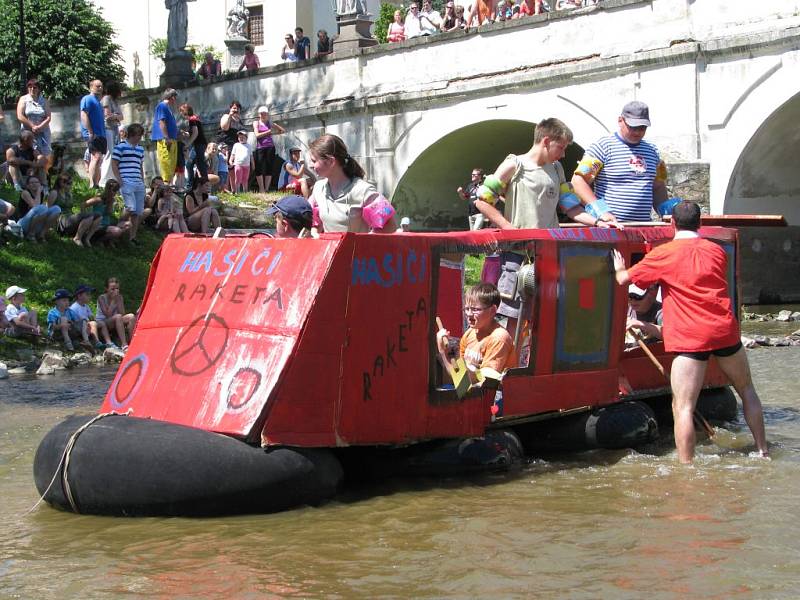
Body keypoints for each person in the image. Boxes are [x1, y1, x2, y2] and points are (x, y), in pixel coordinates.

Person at [612, 201, 769, 463]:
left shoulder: (664, 254)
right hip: (724, 330)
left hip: (690, 336)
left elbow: (624, 280)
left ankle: (687, 467)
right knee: (747, 389)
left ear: (672, 224)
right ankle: (762, 450)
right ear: (701, 223)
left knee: (683, 406)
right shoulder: (717, 250)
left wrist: (618, 267)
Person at [474, 118, 620, 331]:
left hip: (550, 253)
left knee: (548, 314)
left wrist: (599, 221)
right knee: (516, 316)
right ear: (546, 141)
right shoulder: (514, 165)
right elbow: (482, 200)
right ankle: (512, 361)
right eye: (560, 147)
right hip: (518, 254)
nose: (562, 154)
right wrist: (509, 228)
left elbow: (570, 208)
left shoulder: (557, 169)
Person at [572, 100, 669, 223]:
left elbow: (658, 186)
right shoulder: (602, 147)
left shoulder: (653, 151)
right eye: (633, 127)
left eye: (642, 127)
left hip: (643, 228)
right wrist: (601, 211)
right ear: (620, 120)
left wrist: (665, 212)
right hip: (610, 229)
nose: (637, 132)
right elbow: (578, 181)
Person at [308, 134, 397, 233]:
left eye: (314, 161)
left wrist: (364, 241)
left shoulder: (363, 190)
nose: (310, 166)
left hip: (358, 248)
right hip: (330, 248)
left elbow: (390, 225)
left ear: (331, 161)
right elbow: (314, 223)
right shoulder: (318, 188)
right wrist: (314, 235)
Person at [436, 283, 516, 385]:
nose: (469, 314)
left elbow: (467, 384)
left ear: (492, 310)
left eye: (475, 309)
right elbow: (460, 371)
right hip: (470, 389)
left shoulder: (499, 338)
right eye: (467, 309)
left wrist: (443, 353)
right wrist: (449, 353)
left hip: (491, 397)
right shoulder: (471, 332)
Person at [112, 122, 146, 245]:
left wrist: (143, 181)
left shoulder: (140, 149)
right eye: (139, 135)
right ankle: (117, 227)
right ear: (133, 134)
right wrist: (119, 180)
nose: (140, 138)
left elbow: (140, 165)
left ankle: (132, 237)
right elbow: (114, 163)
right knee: (130, 208)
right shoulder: (120, 147)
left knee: (137, 212)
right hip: (126, 181)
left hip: (138, 182)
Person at [50, 172, 101, 247]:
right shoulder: (54, 193)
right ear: (61, 183)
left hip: (69, 217)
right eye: (69, 183)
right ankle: (77, 238)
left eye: (71, 183)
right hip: (60, 220)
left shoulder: (69, 194)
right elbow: (48, 209)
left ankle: (87, 239)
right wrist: (51, 227)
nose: (71, 185)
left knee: (98, 216)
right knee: (88, 216)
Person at [17, 174, 60, 242]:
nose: (34, 184)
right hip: (23, 224)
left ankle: (41, 235)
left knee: (56, 209)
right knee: (42, 208)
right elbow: (36, 207)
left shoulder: (41, 193)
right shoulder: (25, 193)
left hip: (34, 223)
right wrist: (38, 192)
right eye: (32, 183)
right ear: (27, 186)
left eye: (36, 182)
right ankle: (30, 235)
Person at [96, 277, 136, 351]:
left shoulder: (119, 297)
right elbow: (107, 314)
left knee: (131, 316)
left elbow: (122, 313)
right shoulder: (101, 298)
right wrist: (113, 301)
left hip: (116, 320)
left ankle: (132, 341)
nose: (115, 291)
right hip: (104, 322)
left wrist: (118, 301)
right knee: (118, 316)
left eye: (117, 289)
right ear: (107, 289)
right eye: (112, 289)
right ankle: (124, 344)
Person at [87, 180, 131, 247]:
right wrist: (86, 217)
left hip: (107, 224)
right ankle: (98, 241)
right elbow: (83, 205)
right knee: (117, 231)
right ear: (108, 189)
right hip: (98, 226)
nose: (115, 193)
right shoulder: (99, 199)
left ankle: (108, 240)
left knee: (128, 225)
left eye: (116, 190)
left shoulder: (111, 200)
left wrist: (111, 202)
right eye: (114, 190)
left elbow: (108, 212)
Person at [79, 79, 106, 188]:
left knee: (99, 159)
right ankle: (92, 183)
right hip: (93, 134)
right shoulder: (87, 99)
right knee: (95, 157)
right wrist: (90, 132)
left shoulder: (98, 102)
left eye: (101, 86)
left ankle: (96, 184)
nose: (100, 88)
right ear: (91, 87)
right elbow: (84, 115)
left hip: (101, 134)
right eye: (97, 86)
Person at [16, 79, 52, 159]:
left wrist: (39, 127)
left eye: (35, 87)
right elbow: (20, 115)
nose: (32, 89)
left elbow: (48, 117)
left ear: (38, 89)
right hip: (28, 133)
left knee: (45, 156)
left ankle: (44, 171)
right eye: (30, 87)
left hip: (43, 132)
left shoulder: (44, 101)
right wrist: (32, 126)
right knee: (30, 154)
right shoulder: (23, 99)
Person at [253, 106, 286, 193]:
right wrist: (268, 132)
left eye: (265, 113)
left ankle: (266, 188)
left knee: (269, 167)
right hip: (260, 147)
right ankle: (261, 188)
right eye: (262, 113)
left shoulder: (269, 123)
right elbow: (257, 135)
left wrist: (274, 128)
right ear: (259, 114)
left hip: (270, 147)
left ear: (267, 114)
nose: (263, 115)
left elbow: (282, 130)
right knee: (258, 167)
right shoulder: (256, 123)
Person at [99, 81, 125, 187]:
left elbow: (121, 116)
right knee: (109, 153)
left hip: (114, 129)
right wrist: (116, 116)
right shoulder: (106, 99)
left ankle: (112, 177)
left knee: (114, 154)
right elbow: (107, 116)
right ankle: (104, 180)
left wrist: (116, 116)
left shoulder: (114, 101)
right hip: (107, 129)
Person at [151, 88, 179, 184]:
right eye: (175, 97)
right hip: (165, 140)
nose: (175, 100)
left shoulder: (167, 108)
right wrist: (166, 137)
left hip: (172, 139)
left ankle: (169, 185)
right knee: (166, 163)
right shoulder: (162, 106)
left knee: (171, 165)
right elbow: (161, 122)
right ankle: (166, 186)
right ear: (172, 97)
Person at [180, 103, 209, 191]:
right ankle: (193, 186)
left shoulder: (192, 119)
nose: (181, 114)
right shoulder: (194, 119)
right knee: (190, 164)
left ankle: (204, 187)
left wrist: (188, 144)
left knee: (200, 165)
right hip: (199, 144)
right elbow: (194, 132)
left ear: (185, 112)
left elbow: (195, 133)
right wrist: (186, 133)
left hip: (199, 144)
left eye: (181, 112)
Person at [70, 284, 107, 350]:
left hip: (86, 325)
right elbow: (78, 320)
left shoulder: (86, 306)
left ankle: (108, 341)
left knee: (101, 323)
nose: (90, 296)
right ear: (79, 296)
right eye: (87, 294)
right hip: (78, 328)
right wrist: (91, 321)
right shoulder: (75, 307)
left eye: (90, 294)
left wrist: (93, 319)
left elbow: (91, 316)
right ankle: (97, 342)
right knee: (93, 323)